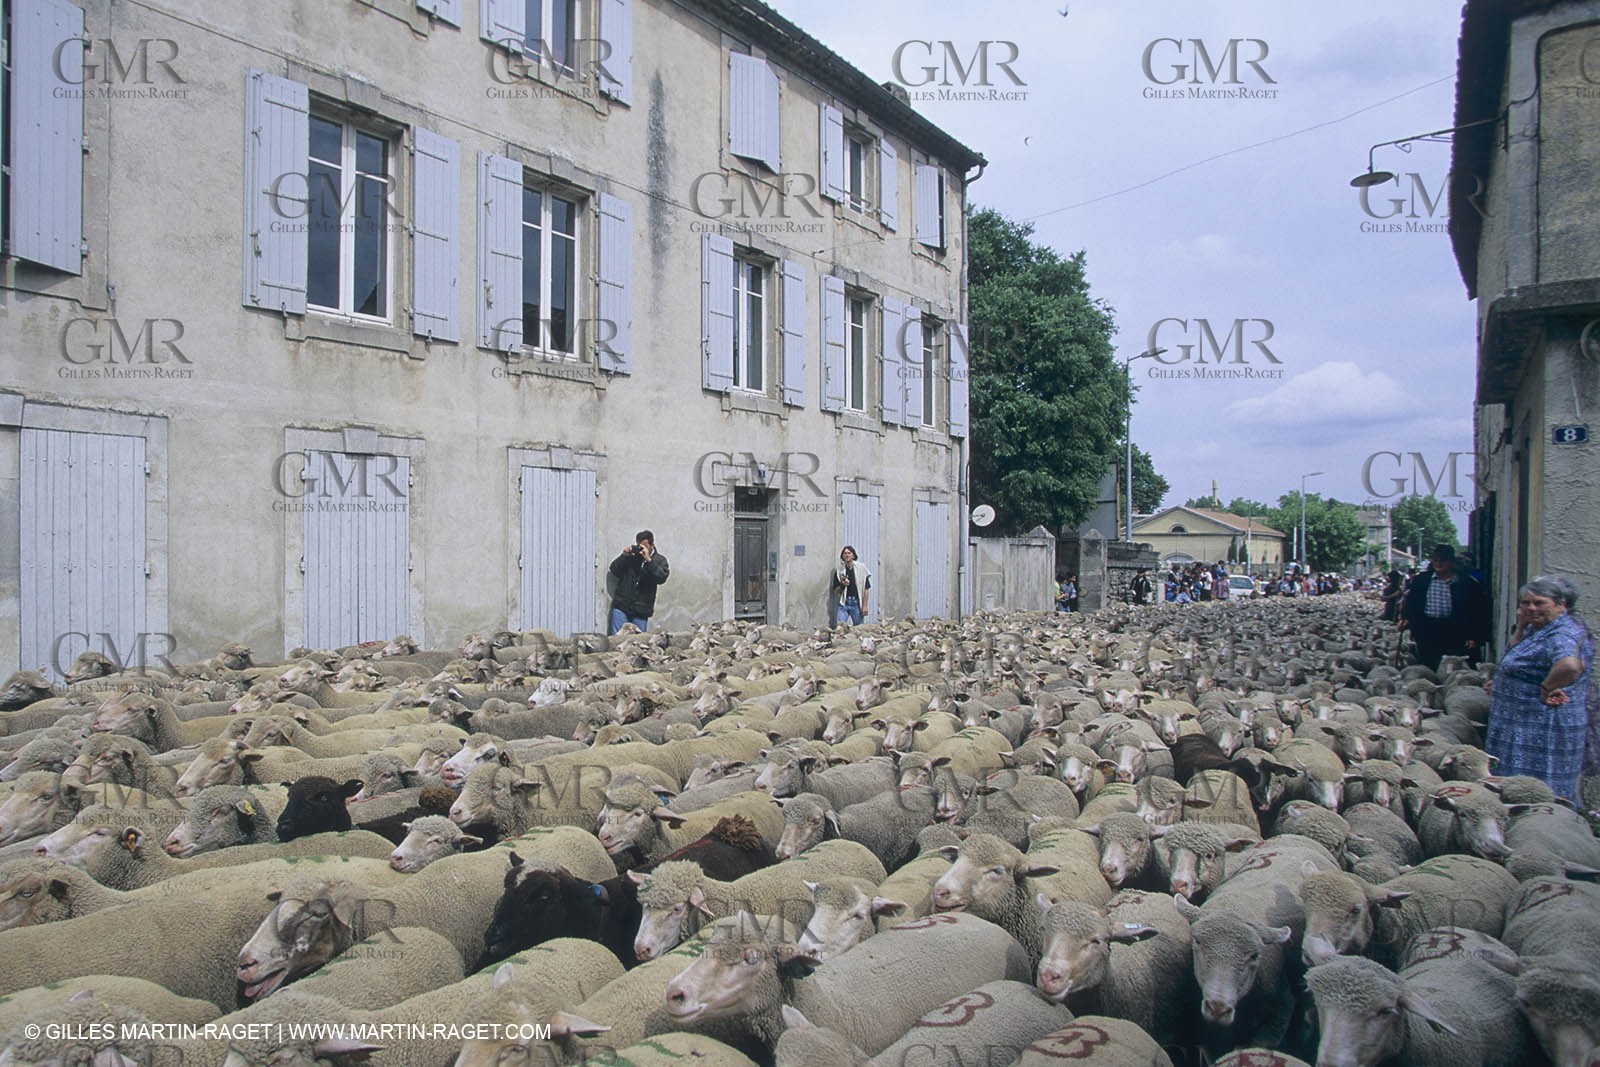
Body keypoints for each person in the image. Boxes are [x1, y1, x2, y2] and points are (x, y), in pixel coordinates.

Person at [1484, 576, 1594, 802]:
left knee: (1539, 790)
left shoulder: (1562, 633)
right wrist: (1522, 626)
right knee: (1516, 787)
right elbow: (1515, 654)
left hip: (1541, 727)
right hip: (1521, 723)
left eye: (1539, 603)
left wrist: (1547, 687)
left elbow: (1570, 666)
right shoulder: (1540, 628)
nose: (1531, 608)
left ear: (1561, 604)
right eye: (1525, 603)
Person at [1399, 544, 1491, 670]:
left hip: (1455, 631)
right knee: (1428, 666)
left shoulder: (1466, 583)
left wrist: (1475, 636)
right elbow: (1411, 603)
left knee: (1454, 666)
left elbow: (1477, 611)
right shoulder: (1421, 581)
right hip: (1428, 629)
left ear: (1452, 562)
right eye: (1435, 560)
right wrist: (1407, 619)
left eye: (1443, 560)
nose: (1439, 563)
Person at [608, 530, 669, 635]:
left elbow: (661, 578)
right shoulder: (632, 557)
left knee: (639, 641)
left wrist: (649, 561)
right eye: (639, 546)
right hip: (622, 605)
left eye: (645, 546)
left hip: (642, 609)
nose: (642, 549)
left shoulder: (660, 560)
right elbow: (614, 570)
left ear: (652, 545)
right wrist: (624, 555)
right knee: (616, 639)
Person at [831, 546, 871, 626]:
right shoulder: (839, 571)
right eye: (845, 553)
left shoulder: (861, 568)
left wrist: (865, 606)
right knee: (840, 627)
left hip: (856, 603)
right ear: (842, 556)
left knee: (859, 628)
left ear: (853, 555)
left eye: (849, 553)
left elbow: (866, 588)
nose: (847, 555)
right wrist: (843, 585)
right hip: (844, 603)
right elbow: (836, 590)